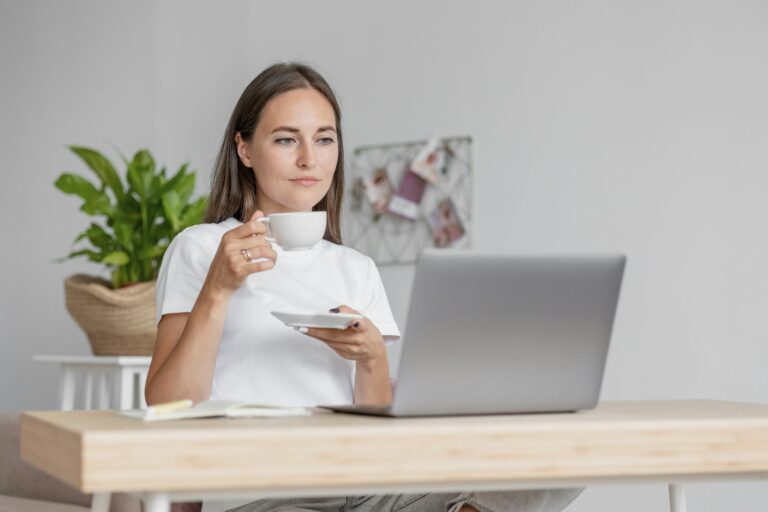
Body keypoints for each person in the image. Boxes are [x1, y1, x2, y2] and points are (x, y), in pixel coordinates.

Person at [145, 62, 582, 512]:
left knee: (562, 459)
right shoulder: (202, 249)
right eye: (286, 139)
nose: (309, 160)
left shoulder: (356, 268)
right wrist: (218, 290)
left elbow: (376, 435)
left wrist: (372, 357)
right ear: (245, 149)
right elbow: (168, 403)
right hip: (261, 488)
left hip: (364, 484)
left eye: (324, 139)